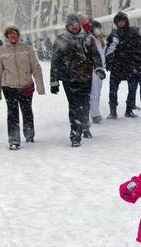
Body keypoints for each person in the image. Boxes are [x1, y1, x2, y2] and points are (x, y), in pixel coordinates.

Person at [50, 14, 104, 147]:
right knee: (73, 106)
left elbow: (95, 56)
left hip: (85, 77)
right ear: (67, 26)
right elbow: (55, 61)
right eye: (71, 25)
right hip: (69, 79)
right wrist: (54, 80)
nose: (74, 27)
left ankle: (85, 126)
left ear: (79, 25)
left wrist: (98, 68)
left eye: (76, 25)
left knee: (85, 103)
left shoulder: (87, 38)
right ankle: (75, 134)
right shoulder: (61, 40)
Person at [0, 25, 45, 150]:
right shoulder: (1, 51)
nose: (12, 36)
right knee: (12, 113)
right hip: (9, 86)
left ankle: (29, 134)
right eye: (9, 34)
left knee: (27, 110)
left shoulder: (27, 49)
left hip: (26, 85)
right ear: (6, 36)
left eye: (14, 33)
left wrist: (40, 87)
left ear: (18, 35)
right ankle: (14, 139)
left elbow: (36, 68)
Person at [105, 12, 141, 119]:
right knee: (113, 89)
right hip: (117, 66)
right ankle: (113, 111)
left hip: (131, 65)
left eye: (122, 21)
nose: (121, 23)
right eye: (118, 21)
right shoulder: (113, 35)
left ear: (126, 21)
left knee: (132, 89)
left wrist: (138, 62)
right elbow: (108, 50)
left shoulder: (133, 32)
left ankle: (129, 109)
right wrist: (109, 63)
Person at [88, 19, 107, 124]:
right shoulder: (91, 41)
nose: (99, 30)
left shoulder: (102, 41)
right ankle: (95, 114)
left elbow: (105, 53)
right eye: (97, 28)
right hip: (93, 69)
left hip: (100, 69)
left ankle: (95, 111)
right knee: (93, 92)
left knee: (97, 92)